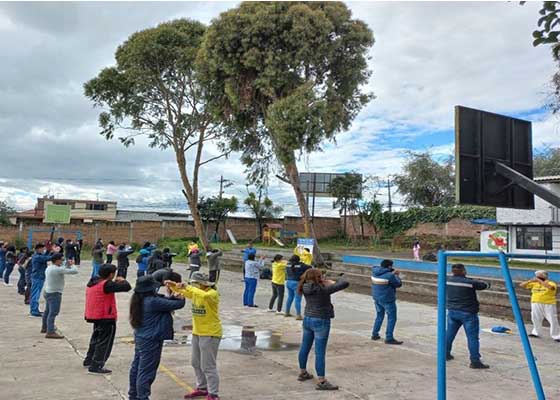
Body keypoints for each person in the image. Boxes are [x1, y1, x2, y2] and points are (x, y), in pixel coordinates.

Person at [166, 272, 222, 400]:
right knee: (196, 362)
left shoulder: (211, 294)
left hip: (210, 333)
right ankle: (202, 388)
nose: (192, 286)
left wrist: (188, 287)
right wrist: (174, 286)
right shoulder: (196, 292)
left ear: (201, 284)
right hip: (198, 332)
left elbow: (201, 294)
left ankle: (213, 393)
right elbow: (186, 292)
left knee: (208, 365)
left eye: (194, 283)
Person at [128, 275, 185, 400]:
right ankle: (142, 397)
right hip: (151, 340)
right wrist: (179, 291)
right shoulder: (153, 302)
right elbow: (179, 304)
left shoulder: (140, 299)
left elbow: (166, 302)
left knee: (137, 367)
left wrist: (172, 293)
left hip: (142, 337)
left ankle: (133, 395)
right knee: (146, 371)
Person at [297, 269, 349, 391]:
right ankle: (321, 381)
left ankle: (302, 372)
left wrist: (323, 281)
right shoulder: (322, 289)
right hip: (321, 320)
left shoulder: (304, 286)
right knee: (320, 352)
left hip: (308, 319)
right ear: (318, 277)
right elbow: (345, 282)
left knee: (305, 347)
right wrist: (330, 281)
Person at [84, 263, 132, 374]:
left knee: (95, 339)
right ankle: (97, 364)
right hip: (106, 316)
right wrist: (122, 280)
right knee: (105, 341)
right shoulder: (107, 285)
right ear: (111, 274)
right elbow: (127, 287)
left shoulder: (94, 281)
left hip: (95, 315)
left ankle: (89, 359)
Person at [446, 263, 491, 369]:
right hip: (468, 313)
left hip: (452, 311)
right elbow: (485, 285)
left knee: (449, 334)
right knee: (472, 338)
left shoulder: (447, 280)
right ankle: (475, 361)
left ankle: (445, 354)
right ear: (464, 271)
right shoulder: (470, 283)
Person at [42, 252, 78, 339]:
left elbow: (62, 268)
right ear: (57, 260)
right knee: (53, 312)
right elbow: (74, 271)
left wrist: (66, 265)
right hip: (55, 293)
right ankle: (50, 332)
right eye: (61, 260)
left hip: (48, 291)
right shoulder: (57, 269)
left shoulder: (50, 267)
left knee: (47, 311)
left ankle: (45, 327)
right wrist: (72, 264)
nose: (62, 261)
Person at [520, 270, 560, 342]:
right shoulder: (534, 284)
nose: (537, 277)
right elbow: (522, 285)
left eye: (539, 275)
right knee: (535, 318)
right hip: (536, 302)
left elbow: (551, 288)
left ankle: (556, 335)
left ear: (544, 276)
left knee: (552, 319)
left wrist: (540, 281)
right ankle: (536, 332)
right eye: (537, 276)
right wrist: (530, 281)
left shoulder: (551, 283)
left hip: (548, 303)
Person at [371, 259, 403, 345]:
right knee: (392, 318)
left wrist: (391, 272)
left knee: (379, 316)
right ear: (389, 267)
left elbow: (384, 276)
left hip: (377, 298)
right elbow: (398, 284)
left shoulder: (374, 272)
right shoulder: (390, 275)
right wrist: (396, 275)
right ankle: (389, 337)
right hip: (388, 299)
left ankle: (374, 334)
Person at [30, 243, 55, 317]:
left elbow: (45, 256)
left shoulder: (39, 256)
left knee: (36, 294)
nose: (43, 250)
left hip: (39, 277)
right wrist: (55, 252)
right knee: (35, 295)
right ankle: (34, 311)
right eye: (42, 249)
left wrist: (48, 250)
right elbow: (47, 258)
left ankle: (34, 310)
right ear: (38, 249)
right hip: (37, 277)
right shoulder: (37, 257)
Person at [285, 255, 311, 320]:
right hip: (297, 283)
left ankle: (287, 312)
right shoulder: (301, 265)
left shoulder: (288, 264)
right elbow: (309, 267)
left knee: (290, 297)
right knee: (297, 299)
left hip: (288, 281)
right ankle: (298, 315)